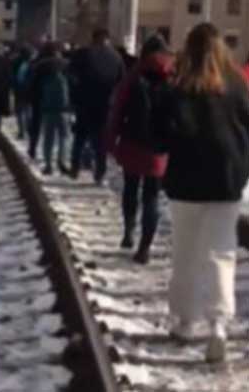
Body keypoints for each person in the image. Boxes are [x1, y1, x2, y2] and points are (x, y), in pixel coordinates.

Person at [161, 23, 249, 363]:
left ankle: (185, 322)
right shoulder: (237, 86)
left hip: (185, 183)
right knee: (221, 253)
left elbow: (160, 135)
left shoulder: (178, 87)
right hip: (226, 183)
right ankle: (218, 326)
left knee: (185, 252)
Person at [104, 35, 174, 264]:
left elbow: (117, 110)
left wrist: (111, 140)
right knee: (152, 197)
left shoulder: (133, 76)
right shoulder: (173, 78)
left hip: (132, 143)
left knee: (131, 188)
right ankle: (144, 247)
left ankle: (128, 232)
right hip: (159, 149)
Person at [68, 29, 125, 184]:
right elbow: (121, 82)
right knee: (100, 142)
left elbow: (71, 76)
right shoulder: (116, 57)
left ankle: (75, 167)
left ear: (93, 39)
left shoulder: (83, 54)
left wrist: (75, 97)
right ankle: (100, 172)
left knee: (79, 138)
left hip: (84, 103)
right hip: (104, 106)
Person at [33, 43, 71, 175]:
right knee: (64, 136)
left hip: (47, 108)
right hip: (64, 109)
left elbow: (34, 87)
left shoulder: (40, 67)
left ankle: (48, 164)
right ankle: (62, 161)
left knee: (48, 138)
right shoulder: (66, 65)